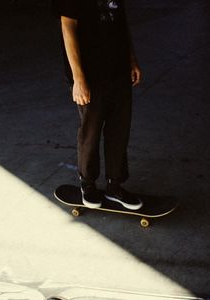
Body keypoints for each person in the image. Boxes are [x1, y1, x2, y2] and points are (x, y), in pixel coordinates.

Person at [51, 0, 143, 210]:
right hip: (90, 74)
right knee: (91, 130)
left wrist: (131, 59)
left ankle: (114, 185)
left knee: (119, 129)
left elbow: (121, 23)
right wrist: (78, 78)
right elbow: (68, 27)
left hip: (118, 69)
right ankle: (88, 184)